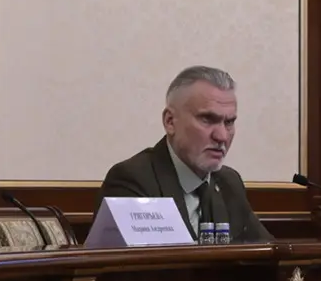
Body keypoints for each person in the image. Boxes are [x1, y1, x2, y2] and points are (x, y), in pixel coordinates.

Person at [101, 66, 271, 243]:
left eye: (229, 122)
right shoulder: (132, 180)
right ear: (170, 122)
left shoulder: (229, 183)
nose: (222, 136)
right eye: (207, 119)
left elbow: (268, 252)